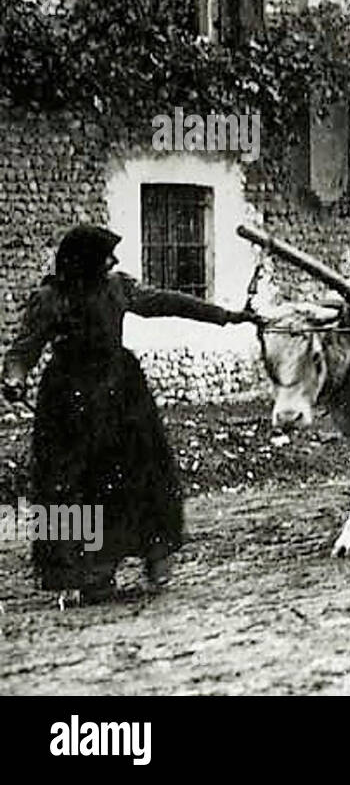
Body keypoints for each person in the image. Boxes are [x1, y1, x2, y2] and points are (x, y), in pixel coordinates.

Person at [1, 225, 255, 603]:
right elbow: (23, 350)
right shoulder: (49, 299)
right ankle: (81, 572)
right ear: (84, 261)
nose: (114, 261)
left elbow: (170, 302)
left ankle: (155, 556)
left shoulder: (118, 287)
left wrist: (226, 316)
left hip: (120, 396)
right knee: (66, 484)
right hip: (68, 403)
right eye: (106, 255)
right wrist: (14, 379)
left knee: (142, 474)